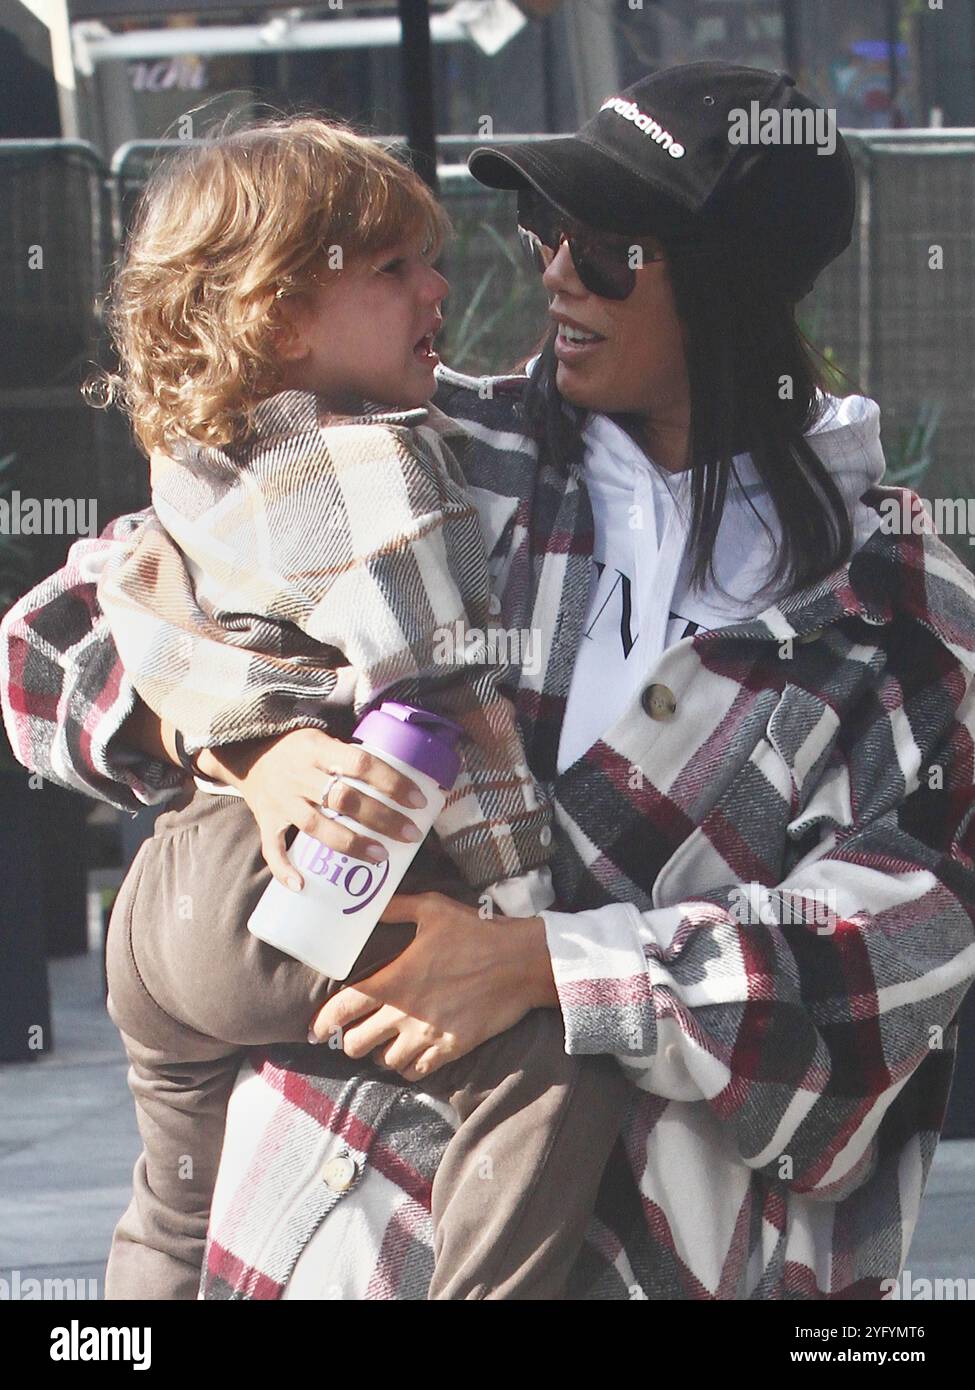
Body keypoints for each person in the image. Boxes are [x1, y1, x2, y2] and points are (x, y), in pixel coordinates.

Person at [4, 60, 975, 1301]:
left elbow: (902, 964)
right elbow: (53, 640)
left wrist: (541, 966)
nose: (555, 270)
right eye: (546, 229)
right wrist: (249, 753)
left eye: (611, 249)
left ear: (731, 289)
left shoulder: (892, 602)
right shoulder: (417, 460)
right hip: (319, 1247)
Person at [4, 115, 634, 1301]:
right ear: (277, 312)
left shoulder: (191, 465)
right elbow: (439, 705)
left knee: (173, 1200)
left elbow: (101, 616)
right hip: (286, 897)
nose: (441, 287)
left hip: (160, 912)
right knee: (556, 1062)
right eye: (393, 270)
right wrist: (520, 920)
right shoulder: (383, 473)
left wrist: (236, 747)